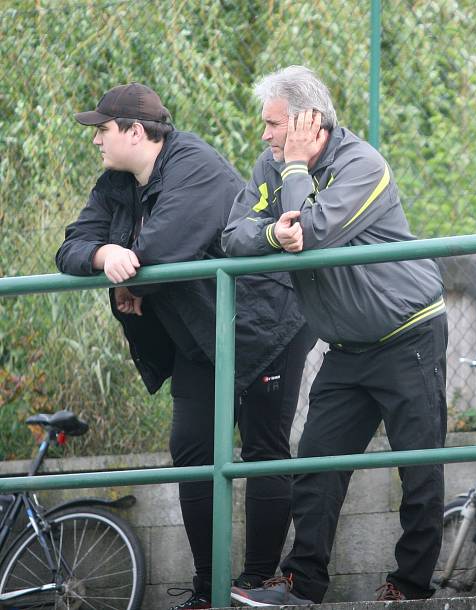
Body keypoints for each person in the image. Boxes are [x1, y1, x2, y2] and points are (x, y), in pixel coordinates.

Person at [55, 83, 315, 610]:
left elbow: (163, 248)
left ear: (135, 131)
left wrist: (130, 277)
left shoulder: (192, 162)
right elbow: (69, 246)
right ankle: (208, 589)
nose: (97, 141)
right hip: (199, 337)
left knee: (264, 452)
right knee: (194, 453)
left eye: (103, 130)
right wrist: (106, 254)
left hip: (263, 327)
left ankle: (254, 584)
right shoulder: (115, 183)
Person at [222, 65, 448, 606]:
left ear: (309, 122)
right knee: (316, 465)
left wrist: (295, 174)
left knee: (418, 470)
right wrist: (273, 232)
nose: (266, 136)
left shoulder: (363, 164)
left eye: (274, 124)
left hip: (408, 333)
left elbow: (316, 233)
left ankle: (410, 587)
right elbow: (234, 236)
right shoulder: (270, 167)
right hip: (346, 348)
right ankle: (301, 585)